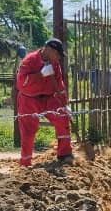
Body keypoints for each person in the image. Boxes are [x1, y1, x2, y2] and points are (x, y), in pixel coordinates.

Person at [16, 38, 73, 168]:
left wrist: (65, 104)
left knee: (62, 116)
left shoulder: (55, 64)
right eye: (57, 54)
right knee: (28, 131)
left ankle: (64, 154)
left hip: (48, 98)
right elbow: (21, 83)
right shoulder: (29, 61)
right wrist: (40, 74)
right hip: (29, 99)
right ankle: (25, 163)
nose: (58, 58)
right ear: (48, 50)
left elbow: (59, 84)